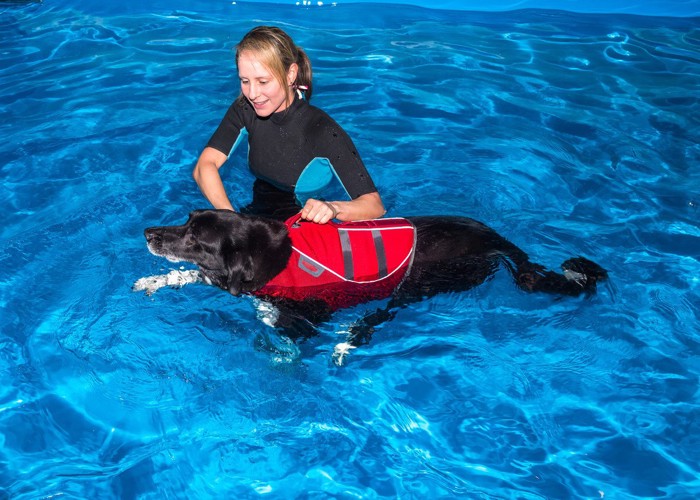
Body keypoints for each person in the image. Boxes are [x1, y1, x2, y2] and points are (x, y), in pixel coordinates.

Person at [192, 26, 385, 224]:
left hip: (303, 224)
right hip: (256, 212)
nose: (252, 93)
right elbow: (204, 166)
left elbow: (374, 205)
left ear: (291, 74)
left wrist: (333, 208)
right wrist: (232, 219)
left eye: (263, 81)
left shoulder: (322, 131)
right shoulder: (245, 108)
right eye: (245, 81)